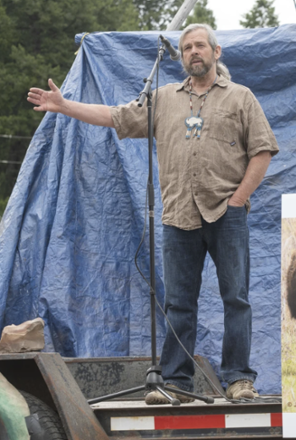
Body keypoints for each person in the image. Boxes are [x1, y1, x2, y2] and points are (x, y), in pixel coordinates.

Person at [27, 23, 279, 404]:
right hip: (178, 216)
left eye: (200, 46)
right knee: (179, 303)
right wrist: (65, 106)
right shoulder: (162, 98)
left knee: (236, 299)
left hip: (227, 214)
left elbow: (262, 151)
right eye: (187, 47)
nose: (194, 51)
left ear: (216, 51)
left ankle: (239, 379)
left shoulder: (240, 98)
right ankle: (177, 382)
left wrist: (238, 199)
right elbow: (115, 115)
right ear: (181, 56)